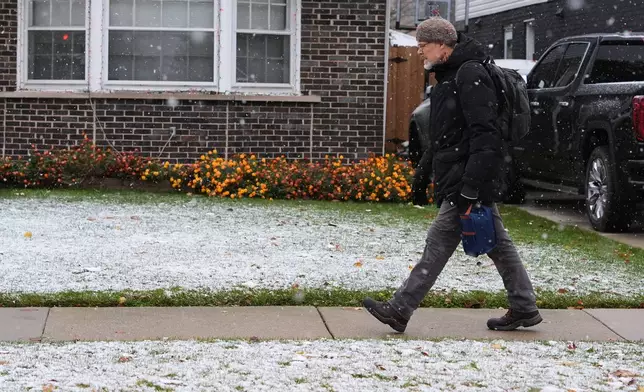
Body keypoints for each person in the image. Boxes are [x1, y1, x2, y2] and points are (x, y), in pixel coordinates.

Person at [363, 17, 542, 333]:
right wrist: (423, 175)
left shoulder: (470, 73)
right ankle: (524, 307)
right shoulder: (450, 74)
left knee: (439, 241)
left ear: (442, 44)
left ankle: (399, 309)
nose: (420, 53)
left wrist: (471, 187)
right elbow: (445, 134)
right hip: (463, 175)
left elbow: (485, 135)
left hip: (468, 178)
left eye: (423, 46)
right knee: (498, 243)